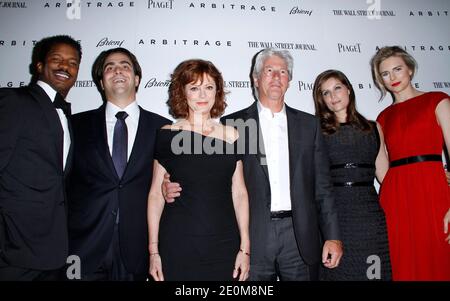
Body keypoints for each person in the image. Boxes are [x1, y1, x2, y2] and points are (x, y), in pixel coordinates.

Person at [163, 48, 343, 281]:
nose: (276, 77)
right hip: (252, 235)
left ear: (289, 80)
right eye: (269, 71)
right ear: (256, 79)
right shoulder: (231, 125)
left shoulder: (309, 125)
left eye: (283, 72)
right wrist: (169, 183)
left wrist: (333, 236)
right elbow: (209, 176)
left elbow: (323, 187)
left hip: (300, 237)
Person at [66, 47, 170, 280]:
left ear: (137, 79)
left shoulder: (163, 128)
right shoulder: (75, 125)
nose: (117, 71)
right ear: (101, 83)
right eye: (109, 68)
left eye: (125, 66)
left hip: (138, 247)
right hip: (84, 245)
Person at [147, 59, 250, 281]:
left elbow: (239, 192)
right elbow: (156, 194)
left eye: (209, 87)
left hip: (225, 242)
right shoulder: (168, 133)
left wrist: (245, 247)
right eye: (194, 88)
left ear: (217, 91)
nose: (202, 95)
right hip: (178, 242)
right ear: (182, 92)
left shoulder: (233, 134)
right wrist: (153, 251)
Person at [0, 35, 81, 280]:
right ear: (39, 65)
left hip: (52, 249)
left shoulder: (66, 115)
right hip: (12, 249)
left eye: (72, 62)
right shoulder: (14, 101)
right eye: (57, 59)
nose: (65, 67)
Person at [371, 46, 450, 280]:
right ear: (380, 80)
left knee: (438, 256)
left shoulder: (438, 101)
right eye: (385, 74)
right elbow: (382, 171)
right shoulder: (383, 118)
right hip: (396, 198)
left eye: (397, 69)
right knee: (402, 261)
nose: (392, 77)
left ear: (411, 70)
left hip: (432, 191)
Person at [312, 69, 392, 280]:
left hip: (370, 218)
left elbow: (386, 177)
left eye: (337, 88)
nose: (333, 96)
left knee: (373, 274)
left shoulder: (374, 128)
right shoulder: (316, 131)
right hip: (335, 217)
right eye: (325, 93)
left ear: (348, 88)